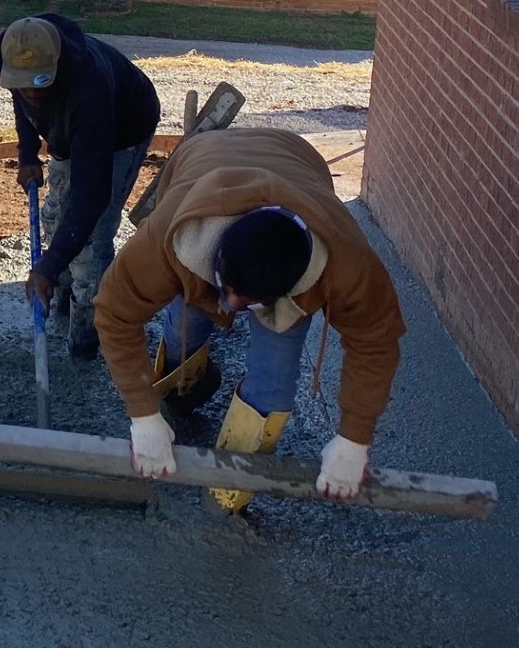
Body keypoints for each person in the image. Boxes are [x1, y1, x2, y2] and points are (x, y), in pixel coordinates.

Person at [95, 128, 405, 510]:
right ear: (216, 255)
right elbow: (114, 313)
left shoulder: (346, 262)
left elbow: (375, 341)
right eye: (225, 289)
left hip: (297, 164)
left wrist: (354, 439)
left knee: (274, 381)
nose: (232, 306)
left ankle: (227, 496)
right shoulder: (172, 235)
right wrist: (142, 413)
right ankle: (180, 385)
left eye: (252, 304)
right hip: (203, 157)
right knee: (183, 325)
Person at [1, 14, 160, 359]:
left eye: (39, 82)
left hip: (121, 130)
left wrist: (46, 265)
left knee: (90, 241)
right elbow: (21, 100)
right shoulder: (13, 51)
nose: (30, 92)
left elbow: (91, 192)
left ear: (56, 62)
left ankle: (87, 334)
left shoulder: (91, 89)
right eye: (22, 82)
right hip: (67, 131)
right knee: (55, 217)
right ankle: (61, 295)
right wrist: (28, 153)